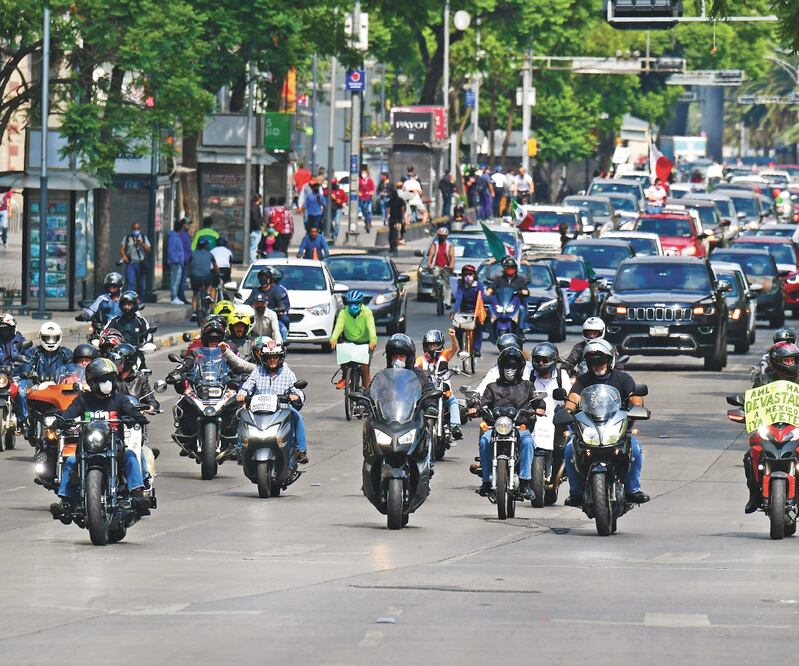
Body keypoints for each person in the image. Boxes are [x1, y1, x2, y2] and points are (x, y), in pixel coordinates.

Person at [49, 357, 150, 519]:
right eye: (103, 379)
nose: (108, 383)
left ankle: (137, 493)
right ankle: (65, 500)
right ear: (93, 382)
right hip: (88, 446)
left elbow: (131, 410)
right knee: (70, 461)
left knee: (130, 455)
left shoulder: (119, 399)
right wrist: (61, 421)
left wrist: (137, 417)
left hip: (114, 445)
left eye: (110, 379)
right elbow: (69, 413)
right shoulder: (83, 399)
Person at [562, 338, 649, 507]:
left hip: (616, 428)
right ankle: (576, 493)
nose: (598, 365)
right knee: (569, 449)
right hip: (590, 428)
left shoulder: (622, 378)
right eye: (593, 362)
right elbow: (573, 397)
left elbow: (635, 396)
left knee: (636, 449)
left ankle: (633, 490)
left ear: (610, 361)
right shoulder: (583, 379)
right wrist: (568, 409)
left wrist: (637, 406)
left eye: (601, 361)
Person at [477, 346, 542, 499]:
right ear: (500, 367)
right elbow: (483, 403)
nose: (509, 370)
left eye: (513, 366)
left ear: (520, 368)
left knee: (527, 441)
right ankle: (486, 481)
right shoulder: (492, 387)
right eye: (507, 366)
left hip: (519, 426)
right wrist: (476, 408)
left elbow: (537, 401)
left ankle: (525, 482)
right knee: (484, 442)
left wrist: (540, 408)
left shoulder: (527, 386)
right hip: (495, 427)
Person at [744, 341, 799, 513]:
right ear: (776, 361)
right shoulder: (763, 381)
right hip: (769, 428)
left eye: (793, 360)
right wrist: (743, 411)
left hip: (794, 427)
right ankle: (754, 495)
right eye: (787, 361)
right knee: (748, 457)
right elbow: (750, 404)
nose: (791, 364)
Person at [237, 337, 308, 464]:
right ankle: (240, 449)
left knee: (297, 417)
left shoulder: (287, 373)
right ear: (263, 358)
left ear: (280, 358)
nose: (272, 360)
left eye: (275, 357)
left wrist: (296, 396)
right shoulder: (257, 371)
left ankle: (301, 450)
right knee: (242, 415)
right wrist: (241, 394)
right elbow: (246, 387)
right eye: (269, 357)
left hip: (282, 409)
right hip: (259, 409)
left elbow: (298, 392)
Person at [416, 329, 463, 441]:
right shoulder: (421, 359)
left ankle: (455, 426)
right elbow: (413, 369)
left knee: (452, 400)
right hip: (426, 390)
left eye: (435, 344)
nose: (432, 347)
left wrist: (453, 337)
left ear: (440, 345)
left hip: (442, 387)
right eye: (430, 345)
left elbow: (455, 349)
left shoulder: (444, 356)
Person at [529, 342, 572, 461]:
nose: (540, 363)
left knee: (571, 443)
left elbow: (569, 396)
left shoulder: (561, 376)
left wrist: (567, 408)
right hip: (533, 417)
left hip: (557, 419)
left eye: (544, 360)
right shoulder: (529, 374)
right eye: (537, 360)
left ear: (553, 361)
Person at [330, 290, 377, 390]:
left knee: (365, 368)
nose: (353, 306)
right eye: (350, 304)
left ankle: (366, 391)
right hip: (349, 340)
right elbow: (339, 326)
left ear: (360, 304)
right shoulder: (344, 313)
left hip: (365, 343)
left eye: (356, 304)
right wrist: (333, 338)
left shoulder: (367, 313)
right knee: (342, 354)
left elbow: (371, 327)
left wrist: (373, 340)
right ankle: (345, 377)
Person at [244, 268, 290, 342]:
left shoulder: (276, 290)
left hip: (272, 317)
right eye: (261, 278)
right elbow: (246, 303)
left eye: (265, 278)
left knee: (281, 327)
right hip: (257, 317)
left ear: (270, 279)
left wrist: (278, 309)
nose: (263, 280)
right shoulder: (256, 291)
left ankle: (283, 343)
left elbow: (282, 305)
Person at [485, 256, 529, 332]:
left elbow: (525, 288)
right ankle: (489, 327)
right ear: (504, 268)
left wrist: (524, 291)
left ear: (515, 268)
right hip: (502, 305)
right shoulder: (499, 279)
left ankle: (522, 327)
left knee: (521, 309)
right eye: (508, 267)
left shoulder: (520, 280)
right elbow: (493, 285)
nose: (510, 269)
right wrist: (489, 289)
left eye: (512, 267)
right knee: (490, 308)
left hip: (515, 305)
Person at [452, 264, 487, 358]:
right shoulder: (461, 286)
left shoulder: (479, 286)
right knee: (457, 328)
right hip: (464, 311)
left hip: (476, 311)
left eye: (470, 274)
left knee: (479, 327)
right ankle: (461, 348)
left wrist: (478, 313)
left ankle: (476, 349)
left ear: (474, 275)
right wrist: (454, 311)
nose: (468, 277)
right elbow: (458, 298)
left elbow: (481, 299)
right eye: (466, 274)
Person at [189, 237, 218, 319]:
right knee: (210, 284)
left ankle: (194, 312)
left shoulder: (193, 253)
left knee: (195, 293)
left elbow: (190, 265)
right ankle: (208, 294)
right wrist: (217, 273)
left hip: (194, 276)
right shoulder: (209, 254)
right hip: (206, 276)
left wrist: (190, 274)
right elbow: (216, 267)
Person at [119, 222, 151, 296]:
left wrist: (142, 244)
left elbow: (149, 249)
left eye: (137, 228)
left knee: (140, 284)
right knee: (131, 283)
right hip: (130, 263)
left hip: (140, 263)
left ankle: (140, 299)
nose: (136, 230)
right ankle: (130, 299)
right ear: (132, 229)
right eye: (134, 228)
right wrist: (124, 256)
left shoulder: (143, 237)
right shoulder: (127, 238)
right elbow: (121, 248)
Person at [426, 227, 455, 307]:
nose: (441, 238)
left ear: (446, 237)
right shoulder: (435, 244)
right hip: (436, 266)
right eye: (440, 236)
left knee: (446, 285)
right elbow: (431, 255)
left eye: (443, 236)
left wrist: (451, 265)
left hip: (446, 267)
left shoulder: (449, 245)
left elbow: (452, 257)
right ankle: (435, 291)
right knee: (435, 276)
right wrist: (429, 263)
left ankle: (447, 302)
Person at [167, 219, 187, 304]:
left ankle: (175, 297)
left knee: (176, 280)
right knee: (175, 280)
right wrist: (177, 260)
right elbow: (171, 251)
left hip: (177, 262)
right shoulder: (174, 238)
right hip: (176, 262)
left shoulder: (175, 237)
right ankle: (173, 297)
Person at [177, 217, 192, 304]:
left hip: (185, 260)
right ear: (183, 225)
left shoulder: (185, 234)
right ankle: (180, 296)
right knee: (181, 280)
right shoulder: (182, 235)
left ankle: (181, 296)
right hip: (183, 260)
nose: (189, 226)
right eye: (187, 224)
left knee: (182, 279)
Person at [358, 166, 375, 233]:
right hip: (362, 197)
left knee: (369, 210)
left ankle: (369, 222)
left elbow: (372, 187)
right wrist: (359, 192)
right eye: (362, 173)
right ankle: (366, 221)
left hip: (368, 198)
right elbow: (358, 188)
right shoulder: (360, 180)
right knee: (363, 210)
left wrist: (371, 192)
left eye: (364, 173)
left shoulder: (369, 180)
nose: (363, 174)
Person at [250, 194, 264, 264]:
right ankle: (253, 262)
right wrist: (260, 226)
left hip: (254, 230)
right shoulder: (255, 207)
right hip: (255, 230)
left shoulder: (253, 206)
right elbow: (255, 218)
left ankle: (252, 260)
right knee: (253, 248)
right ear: (258, 199)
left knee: (253, 247)